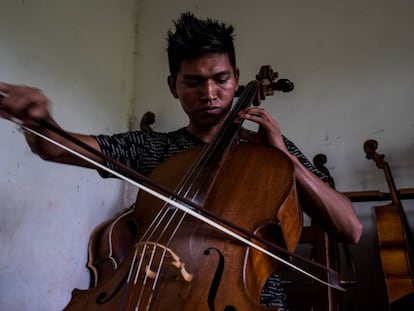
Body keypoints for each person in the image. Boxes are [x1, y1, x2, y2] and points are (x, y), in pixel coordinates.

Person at [0, 11, 362, 310]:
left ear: (236, 80)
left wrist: (285, 156)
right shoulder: (151, 149)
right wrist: (40, 123)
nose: (209, 93)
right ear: (173, 85)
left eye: (220, 79)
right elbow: (57, 147)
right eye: (193, 82)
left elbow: (350, 228)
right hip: (149, 297)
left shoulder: (270, 156)